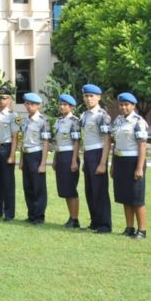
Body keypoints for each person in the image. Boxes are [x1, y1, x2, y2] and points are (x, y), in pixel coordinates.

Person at [110, 92, 148, 239]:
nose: (123, 107)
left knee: (137, 198)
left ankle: (142, 230)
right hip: (120, 161)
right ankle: (129, 227)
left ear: (133, 105)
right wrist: (113, 165)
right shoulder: (118, 121)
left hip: (134, 162)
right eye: (121, 104)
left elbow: (142, 146)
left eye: (126, 105)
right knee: (125, 197)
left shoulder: (138, 122)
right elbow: (115, 144)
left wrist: (139, 168)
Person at [79, 84, 112, 234]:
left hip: (99, 153)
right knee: (90, 191)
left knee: (100, 191)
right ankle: (94, 221)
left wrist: (103, 163)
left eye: (91, 96)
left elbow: (107, 140)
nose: (88, 98)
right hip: (88, 154)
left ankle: (104, 225)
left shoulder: (102, 116)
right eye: (86, 96)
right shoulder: (85, 115)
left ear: (99, 97)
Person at [18, 92, 50, 225]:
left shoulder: (43, 121)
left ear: (38, 106)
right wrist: (20, 160)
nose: (29, 106)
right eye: (27, 103)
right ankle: (31, 214)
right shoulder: (25, 120)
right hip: (26, 154)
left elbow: (46, 143)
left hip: (36, 155)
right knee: (28, 186)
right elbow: (22, 141)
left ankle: (39, 216)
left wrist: (43, 163)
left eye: (32, 104)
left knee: (38, 187)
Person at [0, 85, 19, 221]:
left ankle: (9, 213)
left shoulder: (13, 116)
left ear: (9, 99)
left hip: (6, 149)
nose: (1, 100)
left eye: (4, 98)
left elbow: (15, 137)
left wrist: (12, 155)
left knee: (8, 183)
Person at [52, 94, 81, 228]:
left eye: (65, 105)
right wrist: (54, 159)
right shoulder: (58, 121)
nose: (62, 107)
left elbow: (76, 141)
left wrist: (74, 160)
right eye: (61, 104)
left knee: (71, 188)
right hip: (61, 155)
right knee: (64, 189)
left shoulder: (74, 121)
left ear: (71, 107)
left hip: (70, 155)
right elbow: (57, 142)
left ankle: (75, 219)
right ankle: (71, 217)